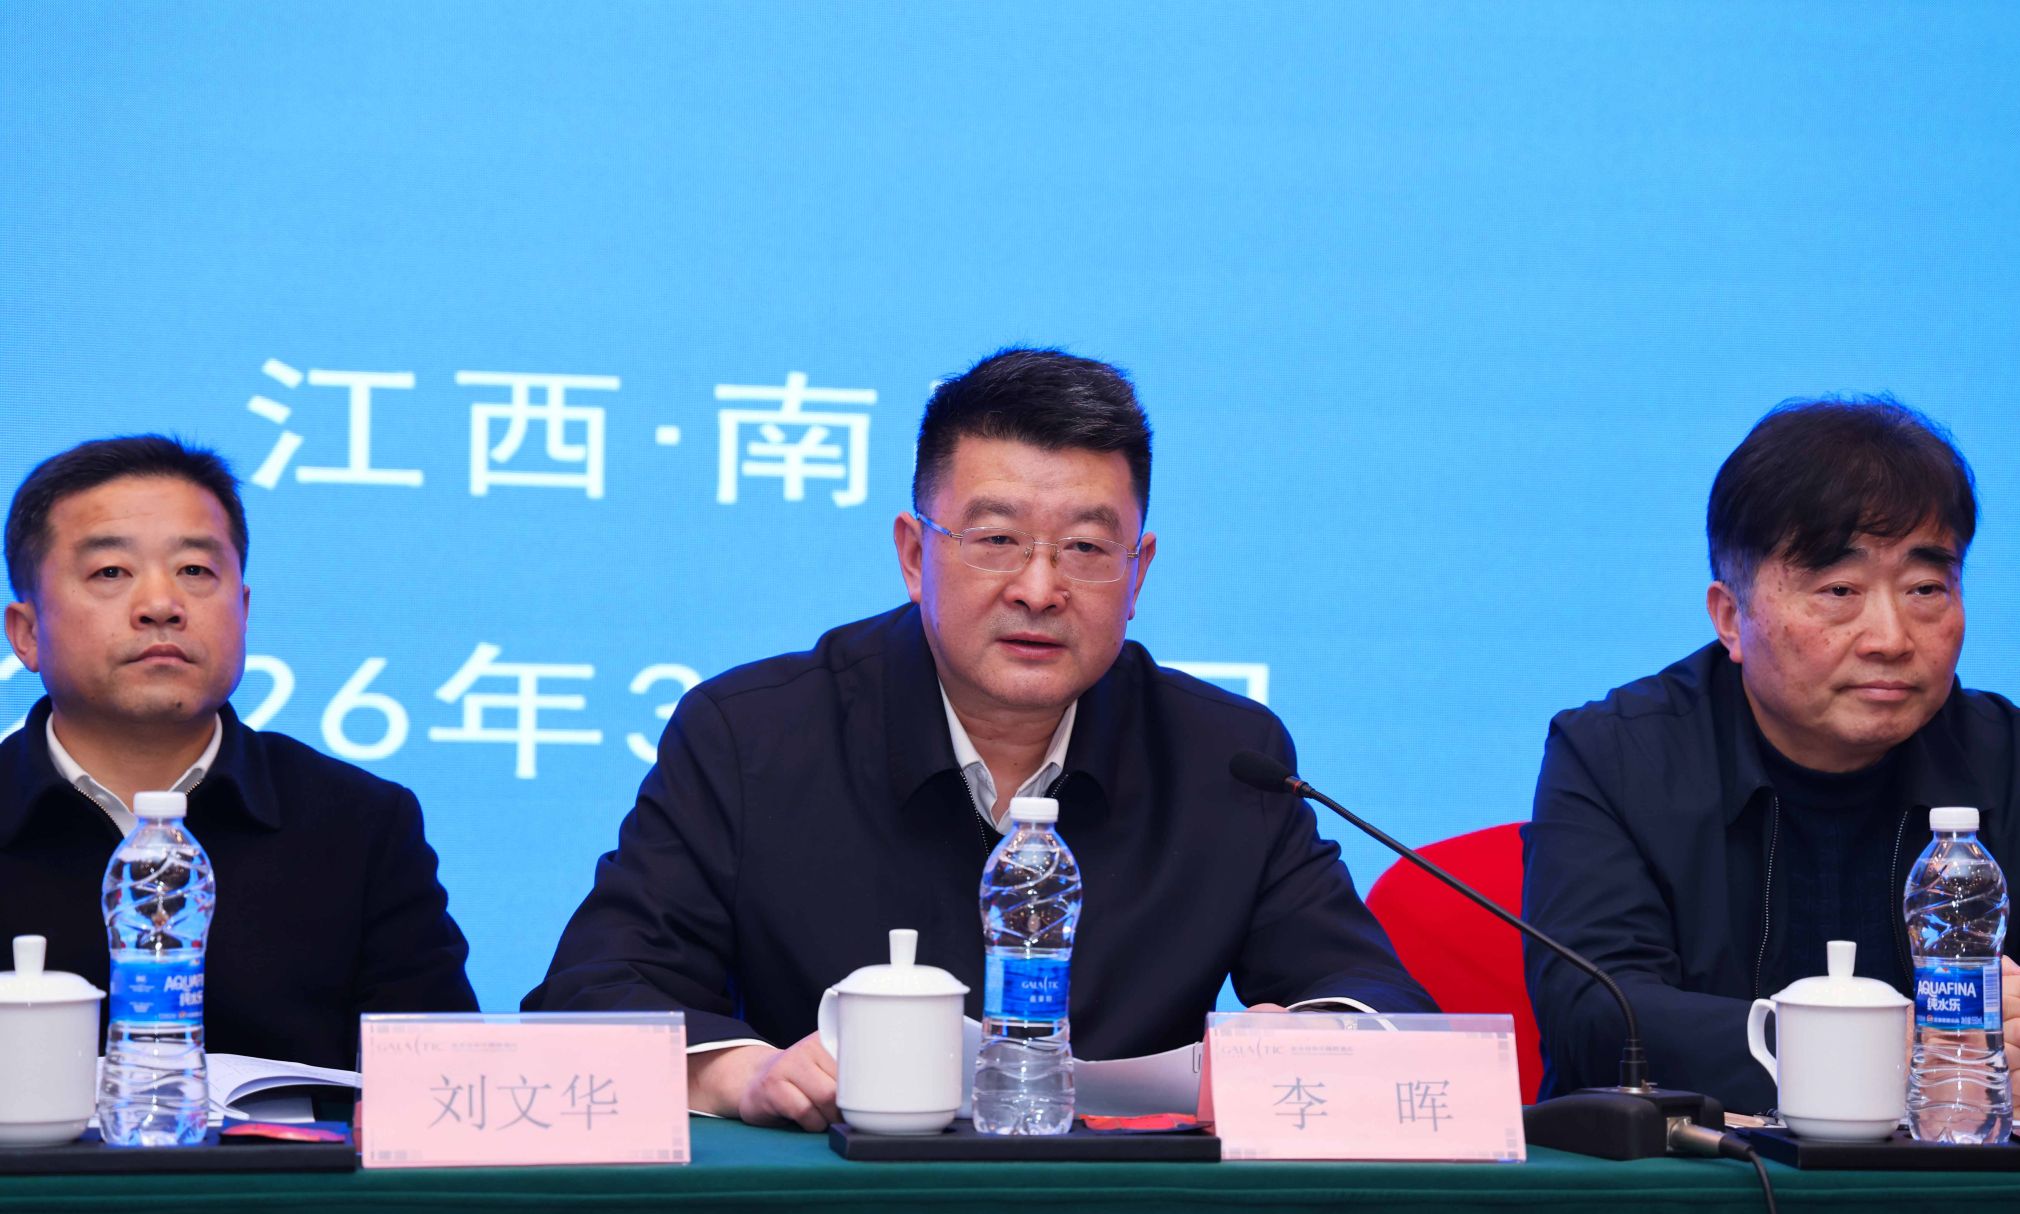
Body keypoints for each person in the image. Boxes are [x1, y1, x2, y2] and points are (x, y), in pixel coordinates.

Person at [526, 347, 1435, 1129]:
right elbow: (593, 994)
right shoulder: (753, 736)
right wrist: (746, 1075)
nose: (1039, 588)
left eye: (1086, 548)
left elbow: (1379, 1001)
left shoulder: (1225, 758)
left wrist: (1315, 1040)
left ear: (1138, 571)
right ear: (914, 553)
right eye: (997, 539)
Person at [1523, 397, 2020, 1119]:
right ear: (1730, 617)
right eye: (1839, 591)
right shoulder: (1615, 756)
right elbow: (1600, 1016)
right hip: (1695, 1183)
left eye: (1926, 588)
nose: (1891, 638)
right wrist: (1879, 1053)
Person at [0, 435, 478, 1069]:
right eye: (110, 572)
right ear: (27, 633)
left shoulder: (361, 824)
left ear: (243, 610)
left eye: (195, 571)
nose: (161, 606)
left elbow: (442, 1084)